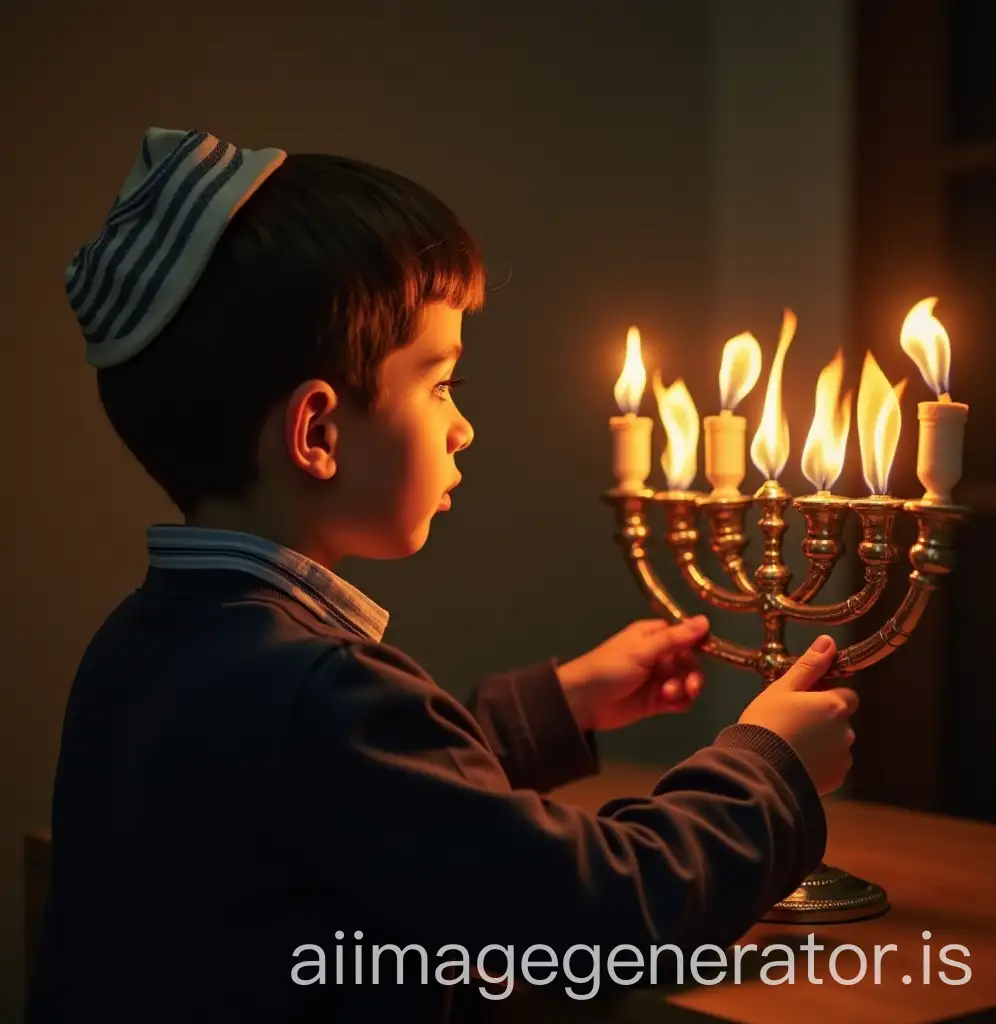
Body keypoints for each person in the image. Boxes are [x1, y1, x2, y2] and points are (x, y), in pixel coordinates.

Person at [29, 127, 858, 1023]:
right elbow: (597, 917)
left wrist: (561, 704)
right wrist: (769, 769)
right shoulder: (319, 687)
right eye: (438, 384)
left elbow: (362, 809)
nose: (461, 428)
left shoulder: (149, 644)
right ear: (318, 434)